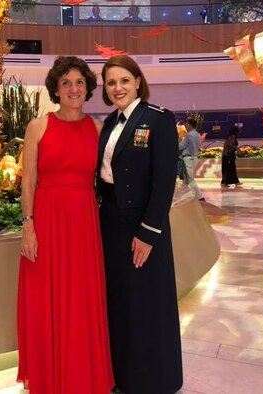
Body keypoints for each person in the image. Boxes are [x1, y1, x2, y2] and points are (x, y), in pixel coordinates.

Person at [18, 56, 114, 393]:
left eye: (79, 83)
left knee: (80, 299)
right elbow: (27, 182)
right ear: (56, 90)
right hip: (46, 220)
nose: (73, 88)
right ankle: (49, 376)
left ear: (87, 88)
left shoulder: (100, 130)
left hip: (83, 222)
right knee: (46, 299)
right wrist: (28, 227)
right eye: (66, 83)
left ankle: (80, 375)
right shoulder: (37, 127)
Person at [98, 55, 183, 394]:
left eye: (123, 81)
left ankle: (154, 381)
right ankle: (125, 376)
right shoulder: (109, 122)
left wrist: (148, 233)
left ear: (137, 81)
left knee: (147, 303)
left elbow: (164, 183)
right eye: (110, 83)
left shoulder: (158, 119)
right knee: (120, 302)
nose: (117, 88)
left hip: (143, 226)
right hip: (111, 223)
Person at [179, 117, 205, 201]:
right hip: (193, 158)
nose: (185, 125)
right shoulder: (197, 134)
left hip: (188, 158)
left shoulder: (189, 135)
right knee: (185, 180)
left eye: (186, 124)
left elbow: (181, 146)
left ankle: (200, 196)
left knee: (189, 179)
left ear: (190, 125)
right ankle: (184, 197)